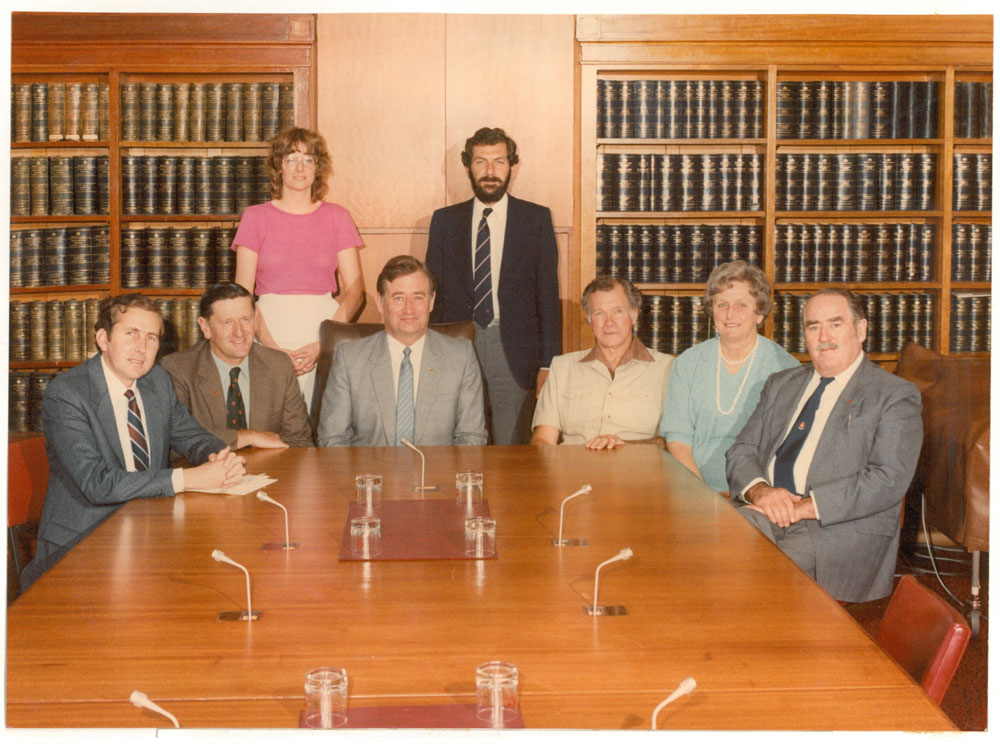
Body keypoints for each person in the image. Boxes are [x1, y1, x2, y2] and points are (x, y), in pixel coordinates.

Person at [20, 294, 245, 590]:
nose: (142, 348)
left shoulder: (157, 382)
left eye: (151, 338)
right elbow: (97, 483)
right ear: (103, 338)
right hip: (80, 547)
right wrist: (190, 478)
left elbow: (193, 437)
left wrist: (219, 458)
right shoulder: (67, 393)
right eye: (131, 334)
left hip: (149, 532)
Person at [725, 288, 923, 603]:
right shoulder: (781, 384)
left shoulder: (894, 395)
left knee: (762, 579)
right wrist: (762, 492)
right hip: (767, 512)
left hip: (836, 527)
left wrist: (804, 507)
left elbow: (888, 478)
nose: (823, 336)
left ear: (861, 329)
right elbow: (741, 449)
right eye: (813, 326)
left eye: (835, 324)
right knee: (708, 554)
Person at [425, 126, 560, 445]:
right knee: (458, 437)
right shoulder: (445, 221)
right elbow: (431, 296)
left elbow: (549, 298)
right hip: (456, 344)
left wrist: (548, 364)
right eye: (481, 162)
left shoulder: (535, 219)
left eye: (499, 162)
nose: (490, 171)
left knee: (510, 443)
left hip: (514, 350)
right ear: (467, 166)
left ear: (512, 166)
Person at [233, 127, 364, 413]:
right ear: (278, 166)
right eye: (291, 159)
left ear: (319, 167)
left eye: (308, 159)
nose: (300, 168)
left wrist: (325, 341)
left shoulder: (337, 216)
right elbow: (241, 295)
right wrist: (270, 347)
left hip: (323, 329)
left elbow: (355, 290)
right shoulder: (255, 217)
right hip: (267, 332)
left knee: (323, 422)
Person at [316, 255, 487, 447]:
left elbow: (471, 437)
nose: (409, 309)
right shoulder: (350, 359)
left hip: (437, 474)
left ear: (431, 302)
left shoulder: (460, 357)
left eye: (418, 297)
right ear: (380, 303)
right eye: (398, 298)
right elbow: (333, 440)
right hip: (369, 474)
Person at [660, 261, 799, 492]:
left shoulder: (786, 368)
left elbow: (786, 449)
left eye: (741, 305)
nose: (730, 314)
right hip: (693, 488)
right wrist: (700, 494)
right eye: (721, 304)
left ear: (760, 313)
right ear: (711, 309)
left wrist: (759, 495)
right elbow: (678, 439)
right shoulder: (687, 363)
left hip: (759, 494)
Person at [161, 283, 314, 449]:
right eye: (228, 322)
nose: (239, 332)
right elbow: (177, 438)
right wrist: (246, 437)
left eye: (245, 320)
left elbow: (299, 441)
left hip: (270, 470)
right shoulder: (179, 369)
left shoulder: (279, 365)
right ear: (205, 327)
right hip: (205, 470)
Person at [530, 276, 672, 450]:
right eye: (599, 313)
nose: (609, 322)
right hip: (573, 471)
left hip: (637, 472)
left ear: (634, 314)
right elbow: (543, 440)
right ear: (589, 320)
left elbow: (675, 442)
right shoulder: (562, 368)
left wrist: (626, 446)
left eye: (618, 311)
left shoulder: (667, 368)